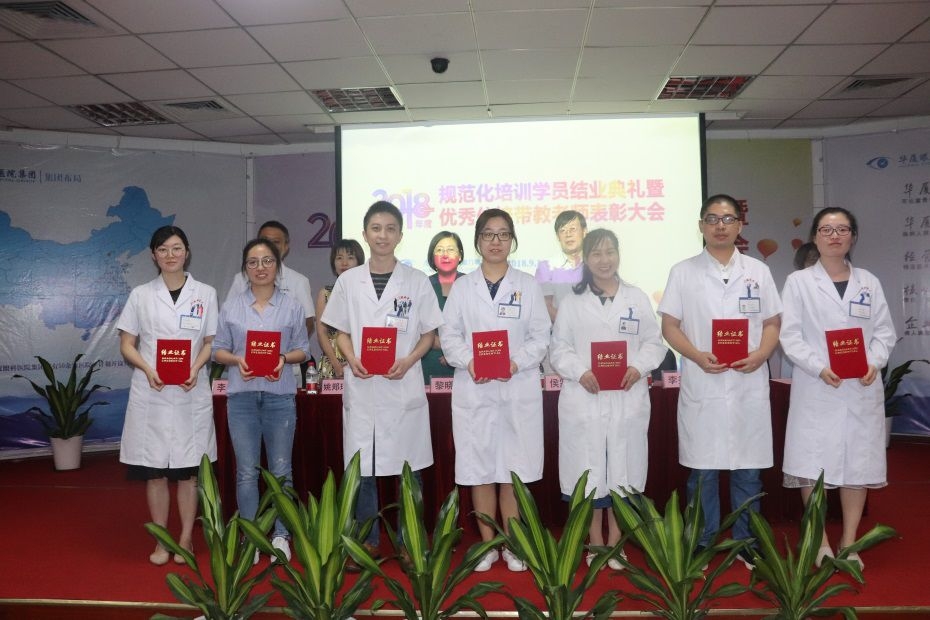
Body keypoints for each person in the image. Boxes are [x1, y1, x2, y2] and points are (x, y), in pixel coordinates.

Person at [657, 194, 782, 569]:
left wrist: (760, 355)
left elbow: (772, 322)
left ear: (740, 226)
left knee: (748, 472)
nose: (720, 226)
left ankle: (748, 541)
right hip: (704, 382)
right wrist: (696, 355)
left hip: (747, 382)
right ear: (701, 226)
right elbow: (670, 326)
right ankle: (702, 539)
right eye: (712, 219)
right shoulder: (683, 271)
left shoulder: (758, 271)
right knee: (702, 473)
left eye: (728, 219)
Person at [320, 201, 442, 558]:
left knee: (408, 467)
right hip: (363, 384)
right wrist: (352, 358)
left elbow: (428, 334)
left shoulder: (416, 281)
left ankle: (409, 541)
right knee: (364, 467)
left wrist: (409, 361)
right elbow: (340, 330)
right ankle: (367, 540)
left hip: (402, 384)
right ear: (365, 234)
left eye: (390, 228)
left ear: (400, 235)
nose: (383, 235)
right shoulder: (348, 281)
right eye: (376, 228)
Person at [780, 207, 896, 571]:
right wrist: (819, 367)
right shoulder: (798, 282)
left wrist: (873, 362)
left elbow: (884, 333)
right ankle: (820, 542)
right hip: (818, 385)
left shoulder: (868, 282)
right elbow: (790, 336)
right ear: (815, 237)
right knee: (813, 463)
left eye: (842, 229)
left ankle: (849, 541)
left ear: (853, 237)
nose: (835, 236)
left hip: (860, 386)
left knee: (856, 463)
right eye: (827, 229)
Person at [440, 208, 551, 572]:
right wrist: (469, 361)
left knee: (513, 470)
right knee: (480, 469)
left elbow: (540, 336)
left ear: (512, 241)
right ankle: (487, 545)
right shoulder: (462, 288)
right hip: (475, 389)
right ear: (477, 241)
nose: (496, 241)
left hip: (516, 387)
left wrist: (515, 363)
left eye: (503, 234)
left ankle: (514, 545)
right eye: (488, 234)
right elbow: (449, 335)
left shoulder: (528, 285)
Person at [550, 229, 668, 570]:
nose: (605, 260)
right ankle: (595, 543)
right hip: (585, 396)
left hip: (626, 396)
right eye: (597, 254)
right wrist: (580, 371)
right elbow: (559, 348)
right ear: (586, 260)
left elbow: (654, 342)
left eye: (610, 252)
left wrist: (638, 366)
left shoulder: (636, 298)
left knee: (622, 468)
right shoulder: (572, 303)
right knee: (589, 469)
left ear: (618, 254)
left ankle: (616, 543)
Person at [116, 225, 217, 566]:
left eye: (176, 248)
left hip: (190, 390)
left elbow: (210, 342)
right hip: (153, 392)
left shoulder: (206, 294)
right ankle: (162, 540)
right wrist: (147, 368)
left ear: (187, 252)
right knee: (155, 471)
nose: (170, 255)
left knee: (189, 473)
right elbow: (127, 344)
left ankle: (186, 539)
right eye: (163, 249)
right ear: (153, 255)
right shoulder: (141, 295)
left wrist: (196, 368)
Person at [212, 238, 310, 564]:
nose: (260, 267)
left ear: (277, 266)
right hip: (241, 398)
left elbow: (303, 350)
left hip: (280, 398)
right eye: (253, 262)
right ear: (245, 269)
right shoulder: (232, 306)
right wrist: (236, 360)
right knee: (246, 472)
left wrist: (283, 358)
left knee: (281, 470)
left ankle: (281, 534)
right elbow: (218, 350)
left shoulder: (292, 306)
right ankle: (252, 535)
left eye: (267, 260)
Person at [225, 220, 315, 368]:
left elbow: (308, 323)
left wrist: (284, 352)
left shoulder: (299, 281)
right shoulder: (240, 279)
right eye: (265, 241)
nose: (270, 246)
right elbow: (228, 320)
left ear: (286, 247)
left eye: (276, 242)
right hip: (245, 363)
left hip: (285, 363)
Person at [315, 239, 365, 379]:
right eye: (339, 258)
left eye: (350, 258)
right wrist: (336, 364)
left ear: (359, 262)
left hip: (361, 361)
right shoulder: (325, 293)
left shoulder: (367, 293)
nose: (344, 263)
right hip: (332, 362)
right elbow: (321, 332)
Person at [421, 231, 466, 384]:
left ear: (460, 255)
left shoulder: (472, 284)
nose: (445, 255)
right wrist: (434, 341)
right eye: (439, 250)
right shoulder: (422, 286)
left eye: (451, 250)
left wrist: (454, 350)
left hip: (466, 363)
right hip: (429, 362)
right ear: (432, 257)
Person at [535, 210, 587, 321]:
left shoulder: (595, 264)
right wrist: (570, 326)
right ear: (558, 236)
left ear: (584, 231)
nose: (568, 234)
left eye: (572, 229)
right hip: (559, 330)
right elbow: (546, 306)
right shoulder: (546, 267)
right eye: (562, 230)